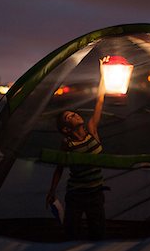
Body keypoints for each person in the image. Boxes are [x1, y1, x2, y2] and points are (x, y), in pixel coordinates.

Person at [46, 57, 107, 241]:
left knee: (97, 232)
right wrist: (52, 190)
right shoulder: (68, 144)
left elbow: (100, 100)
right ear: (66, 129)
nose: (75, 115)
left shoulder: (92, 130)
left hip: (96, 192)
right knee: (71, 232)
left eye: (74, 113)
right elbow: (59, 168)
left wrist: (103, 73)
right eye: (70, 116)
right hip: (76, 194)